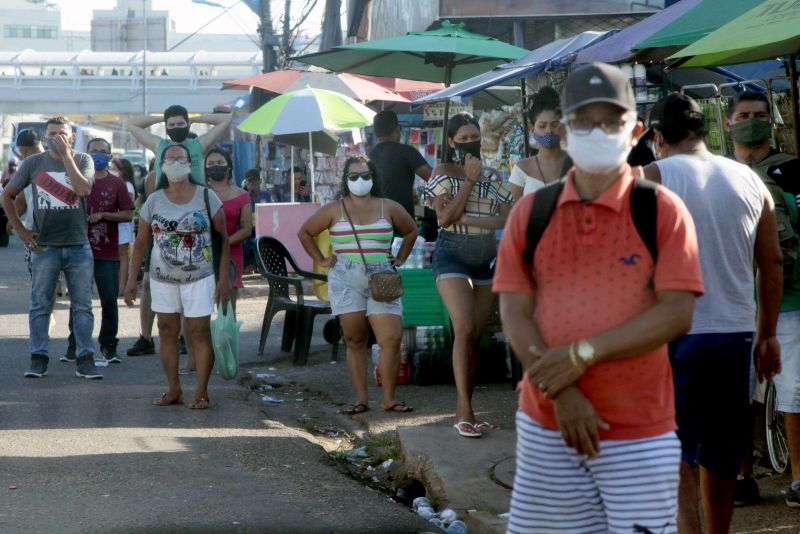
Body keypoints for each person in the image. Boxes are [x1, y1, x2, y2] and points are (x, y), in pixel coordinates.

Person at [495, 63, 704, 533]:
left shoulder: (661, 211)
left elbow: (677, 312)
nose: (597, 131)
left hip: (639, 431)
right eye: (584, 121)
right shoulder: (531, 214)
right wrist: (562, 389)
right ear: (564, 132)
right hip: (546, 426)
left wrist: (581, 354)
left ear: (634, 131)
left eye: (610, 121)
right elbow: (514, 310)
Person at [645, 92, 782, 533]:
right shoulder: (749, 180)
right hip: (736, 334)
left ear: (657, 137)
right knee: (723, 451)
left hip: (673, 332)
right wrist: (768, 334)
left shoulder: (651, 176)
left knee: (676, 449)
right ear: (706, 131)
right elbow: (773, 262)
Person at [725, 90, 800, 509]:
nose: (750, 121)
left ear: (770, 121)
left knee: (796, 392)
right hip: (733, 304)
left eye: (758, 115)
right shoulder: (716, 172)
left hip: (790, 299)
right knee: (737, 393)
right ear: (728, 122)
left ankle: (797, 480)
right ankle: (742, 477)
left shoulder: (793, 171)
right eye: (743, 115)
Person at [298, 155, 418, 415]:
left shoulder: (389, 207)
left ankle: (389, 398)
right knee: (354, 339)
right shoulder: (334, 209)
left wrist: (400, 258)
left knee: (391, 338)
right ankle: (361, 399)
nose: (360, 181)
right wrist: (321, 259)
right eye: (354, 176)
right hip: (345, 276)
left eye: (365, 175)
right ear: (345, 179)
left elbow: (411, 231)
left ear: (373, 178)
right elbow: (304, 232)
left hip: (383, 276)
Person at [123, 144, 232, 409]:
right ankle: (174, 389)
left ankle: (202, 392)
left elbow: (223, 239)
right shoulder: (154, 200)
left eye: (179, 158)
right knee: (166, 330)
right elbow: (140, 243)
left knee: (198, 332)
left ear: (189, 163)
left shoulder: (207, 197)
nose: (174, 162)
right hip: (163, 279)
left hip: (201, 277)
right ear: (161, 166)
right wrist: (130, 281)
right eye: (168, 159)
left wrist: (223, 279)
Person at [424, 113, 513, 438]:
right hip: (452, 254)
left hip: (487, 255)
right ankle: (464, 408)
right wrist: (471, 182)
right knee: (463, 327)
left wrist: (473, 219)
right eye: (462, 139)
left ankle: (469, 406)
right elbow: (445, 219)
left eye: (473, 136)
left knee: (475, 333)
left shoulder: (494, 175)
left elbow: (507, 220)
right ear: (450, 142)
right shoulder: (442, 174)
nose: (469, 143)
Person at [0, 117, 103, 379]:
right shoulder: (33, 163)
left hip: (78, 246)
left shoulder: (83, 160)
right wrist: (21, 230)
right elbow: (7, 195)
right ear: (44, 137)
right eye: (52, 133)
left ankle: (85, 358)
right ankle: (38, 358)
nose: (56, 137)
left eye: (62, 133)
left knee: (82, 306)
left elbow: (83, 189)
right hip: (44, 246)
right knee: (40, 305)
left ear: (71, 137)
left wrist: (67, 156)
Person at [60, 139, 134, 364]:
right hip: (78, 251)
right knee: (79, 302)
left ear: (111, 155)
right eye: (94, 151)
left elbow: (129, 214)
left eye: (104, 152)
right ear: (86, 154)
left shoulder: (117, 183)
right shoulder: (75, 179)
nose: (99, 155)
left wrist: (103, 216)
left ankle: (109, 345)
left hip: (107, 253)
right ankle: (75, 346)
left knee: (109, 300)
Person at [180, 149, 251, 375]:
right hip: (200, 255)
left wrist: (224, 242)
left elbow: (247, 228)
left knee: (227, 310)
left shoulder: (242, 194)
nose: (215, 166)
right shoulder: (197, 193)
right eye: (211, 163)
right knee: (191, 310)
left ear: (229, 165)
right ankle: (192, 359)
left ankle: (227, 358)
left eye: (220, 162)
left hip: (231, 256)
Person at [125, 104, 231, 185]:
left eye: (180, 123)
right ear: (166, 128)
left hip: (196, 206)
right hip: (164, 206)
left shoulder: (199, 144)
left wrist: (194, 119)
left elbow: (227, 118)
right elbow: (130, 124)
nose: (176, 127)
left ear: (188, 125)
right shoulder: (159, 145)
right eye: (171, 124)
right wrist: (163, 118)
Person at [508, 87, 570, 201]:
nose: (549, 131)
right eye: (542, 126)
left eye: (555, 124)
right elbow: (514, 213)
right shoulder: (522, 169)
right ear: (532, 129)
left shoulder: (577, 164)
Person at [369, 110, 432, 219]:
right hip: (403, 220)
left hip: (376, 220)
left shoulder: (369, 155)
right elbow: (432, 178)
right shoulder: (407, 152)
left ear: (375, 132)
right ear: (397, 129)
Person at [126, 158, 158, 356]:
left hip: (186, 242)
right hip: (158, 236)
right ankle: (146, 337)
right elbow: (139, 243)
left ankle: (183, 337)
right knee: (147, 283)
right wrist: (131, 280)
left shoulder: (196, 176)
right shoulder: (155, 174)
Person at [112, 158, 137, 296]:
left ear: (123, 171)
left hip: (123, 225)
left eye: (114, 168)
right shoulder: (117, 183)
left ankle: (121, 287)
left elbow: (128, 206)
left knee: (122, 255)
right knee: (117, 255)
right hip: (114, 224)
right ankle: (117, 285)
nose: (111, 170)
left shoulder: (127, 185)